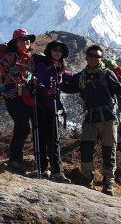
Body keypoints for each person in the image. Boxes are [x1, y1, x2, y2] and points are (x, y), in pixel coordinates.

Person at [67, 45, 121, 195]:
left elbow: (120, 91)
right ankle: (87, 179)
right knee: (86, 149)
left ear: (101, 59)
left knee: (108, 152)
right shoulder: (82, 75)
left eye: (97, 56)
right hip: (90, 118)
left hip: (108, 118)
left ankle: (108, 183)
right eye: (91, 55)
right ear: (86, 58)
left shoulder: (107, 74)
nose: (93, 58)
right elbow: (69, 87)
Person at [0, 28, 36, 175]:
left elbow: (28, 76)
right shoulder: (11, 57)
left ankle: (15, 158)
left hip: (25, 96)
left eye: (28, 39)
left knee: (22, 127)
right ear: (15, 42)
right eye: (22, 39)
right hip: (12, 96)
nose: (26, 42)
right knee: (23, 126)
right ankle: (15, 159)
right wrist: (1, 89)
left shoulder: (29, 59)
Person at [34, 40, 75, 183]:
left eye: (60, 50)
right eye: (55, 49)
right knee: (44, 139)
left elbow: (72, 76)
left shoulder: (60, 69)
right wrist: (46, 90)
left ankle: (52, 170)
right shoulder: (43, 66)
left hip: (52, 109)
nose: (57, 52)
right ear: (49, 51)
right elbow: (37, 82)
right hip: (41, 107)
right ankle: (47, 170)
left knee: (52, 140)